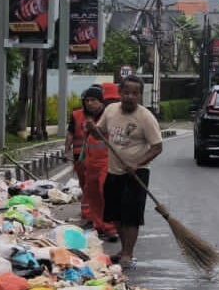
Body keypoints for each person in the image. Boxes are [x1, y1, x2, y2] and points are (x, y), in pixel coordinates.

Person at [89, 76, 164, 268]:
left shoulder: (145, 117)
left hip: (136, 173)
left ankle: (128, 254)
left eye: (135, 93)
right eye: (127, 92)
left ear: (140, 95)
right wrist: (91, 129)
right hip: (114, 171)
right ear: (120, 93)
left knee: (131, 216)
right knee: (115, 214)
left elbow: (157, 147)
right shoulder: (111, 110)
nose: (130, 96)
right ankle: (124, 249)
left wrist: (138, 164)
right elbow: (100, 134)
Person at [67, 85, 116, 240]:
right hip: (90, 163)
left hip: (106, 162)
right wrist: (76, 157)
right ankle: (99, 225)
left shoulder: (108, 116)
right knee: (92, 194)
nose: (89, 103)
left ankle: (111, 228)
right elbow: (83, 141)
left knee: (105, 194)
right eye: (87, 100)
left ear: (101, 102)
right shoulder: (85, 117)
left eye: (93, 100)